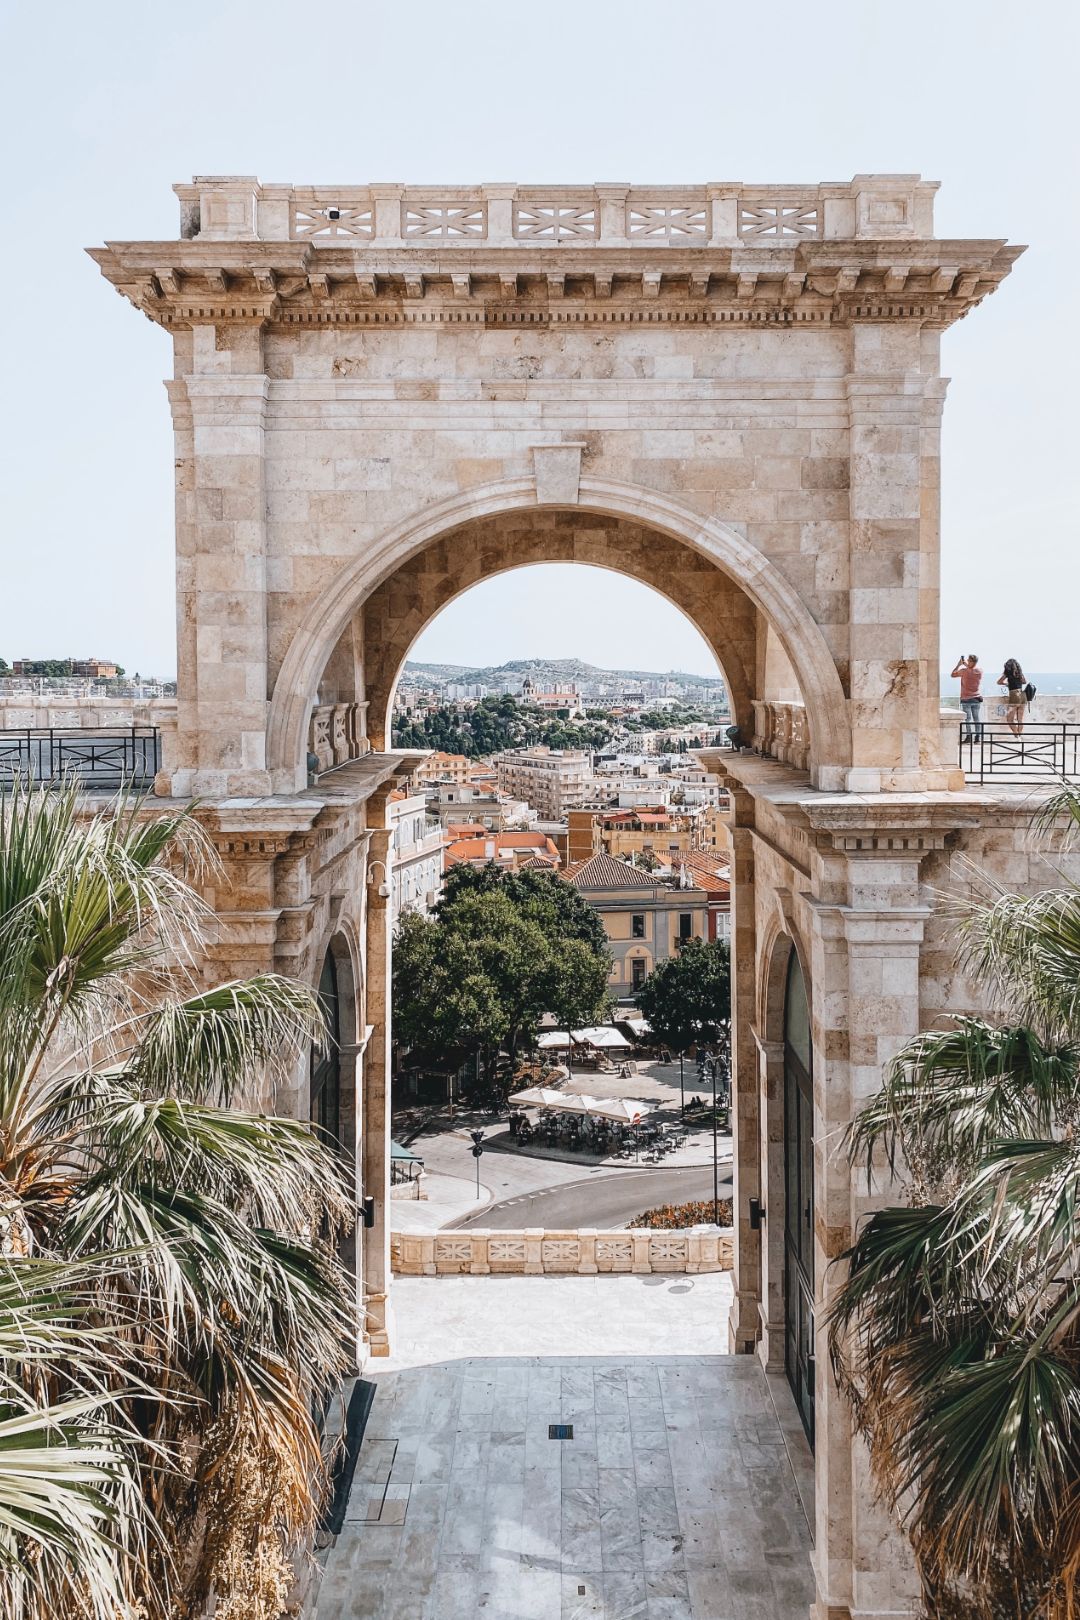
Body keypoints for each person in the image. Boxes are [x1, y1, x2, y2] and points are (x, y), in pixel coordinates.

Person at [951, 654, 984, 744]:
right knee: (976, 719)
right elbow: (972, 670)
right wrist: (966, 664)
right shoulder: (979, 671)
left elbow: (952, 674)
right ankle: (978, 738)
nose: (968, 662)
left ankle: (969, 736)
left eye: (969, 661)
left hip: (966, 698)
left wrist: (958, 665)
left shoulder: (964, 671)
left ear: (972, 662)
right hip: (976, 698)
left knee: (968, 719)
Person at [997, 657, 1027, 736]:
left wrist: (1007, 684)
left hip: (1014, 695)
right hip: (1023, 695)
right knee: (1020, 719)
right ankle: (1019, 736)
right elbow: (1024, 681)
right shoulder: (1020, 673)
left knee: (1009, 719)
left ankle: (1016, 735)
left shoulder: (1007, 673)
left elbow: (999, 682)